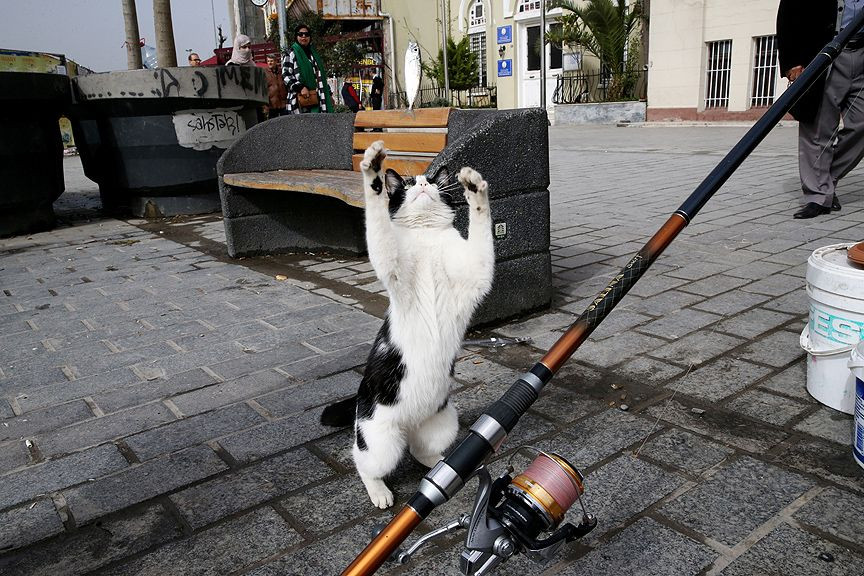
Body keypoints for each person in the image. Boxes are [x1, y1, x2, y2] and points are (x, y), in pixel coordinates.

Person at [778, 0, 864, 219]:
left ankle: (823, 178)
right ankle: (818, 196)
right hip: (823, 54)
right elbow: (789, 13)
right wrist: (792, 62)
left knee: (861, 126)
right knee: (818, 129)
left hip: (862, 53)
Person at [281, 24, 334, 113]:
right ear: (296, 36)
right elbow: (286, 75)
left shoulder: (313, 54)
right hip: (300, 101)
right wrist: (300, 87)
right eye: (300, 34)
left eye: (307, 34)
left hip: (319, 98)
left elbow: (320, 76)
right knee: (303, 126)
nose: (304, 36)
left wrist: (329, 94)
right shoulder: (290, 53)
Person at [265, 53, 288, 119]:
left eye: (271, 61)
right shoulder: (265, 73)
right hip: (272, 104)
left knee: (286, 121)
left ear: (275, 61)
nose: (269, 63)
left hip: (283, 103)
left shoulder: (281, 71)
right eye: (268, 61)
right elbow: (263, 90)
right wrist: (265, 107)